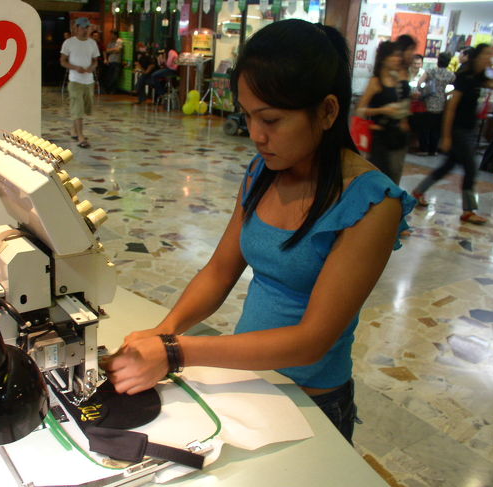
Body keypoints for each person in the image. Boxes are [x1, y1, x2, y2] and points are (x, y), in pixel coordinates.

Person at [102, 19, 415, 443]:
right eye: (248, 116)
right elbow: (219, 272)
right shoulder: (263, 173)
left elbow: (312, 340)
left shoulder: (372, 203)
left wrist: (177, 352)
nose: (256, 135)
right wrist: (166, 330)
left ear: (327, 111)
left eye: (271, 119)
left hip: (312, 401)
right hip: (251, 380)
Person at [412, 43, 493, 224]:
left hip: (469, 130)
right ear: (477, 56)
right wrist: (447, 136)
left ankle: (419, 191)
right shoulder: (465, 77)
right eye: (486, 54)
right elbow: (451, 107)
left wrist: (492, 67)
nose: (489, 57)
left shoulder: (480, 76)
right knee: (471, 168)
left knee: (447, 167)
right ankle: (468, 210)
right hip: (459, 131)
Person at [356, 41, 411, 184]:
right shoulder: (376, 82)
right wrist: (383, 110)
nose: (397, 59)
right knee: (381, 179)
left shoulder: (397, 80)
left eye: (399, 56)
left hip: (396, 135)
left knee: (393, 177)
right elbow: (360, 110)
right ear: (384, 58)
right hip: (379, 137)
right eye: (394, 55)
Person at [60, 17, 99, 149]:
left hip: (89, 81)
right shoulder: (69, 43)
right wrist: (75, 67)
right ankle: (81, 136)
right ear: (76, 28)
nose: (85, 30)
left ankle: (74, 129)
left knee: (85, 107)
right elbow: (63, 61)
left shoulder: (92, 43)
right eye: (83, 27)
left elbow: (95, 61)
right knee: (78, 108)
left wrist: (92, 68)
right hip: (75, 80)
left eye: (87, 28)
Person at [416, 52, 455, 156]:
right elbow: (456, 88)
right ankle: (433, 150)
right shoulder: (451, 74)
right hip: (441, 103)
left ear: (438, 60)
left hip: (428, 103)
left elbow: (419, 83)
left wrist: (422, 91)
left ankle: (423, 149)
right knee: (436, 129)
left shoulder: (431, 71)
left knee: (424, 128)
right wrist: (446, 94)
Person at [104, 29, 123, 94]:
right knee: (109, 76)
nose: (111, 36)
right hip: (110, 61)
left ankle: (113, 90)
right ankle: (109, 90)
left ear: (115, 35)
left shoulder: (119, 41)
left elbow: (118, 50)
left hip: (117, 61)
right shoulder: (110, 42)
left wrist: (111, 50)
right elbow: (107, 51)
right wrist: (114, 49)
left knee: (115, 77)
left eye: (112, 34)